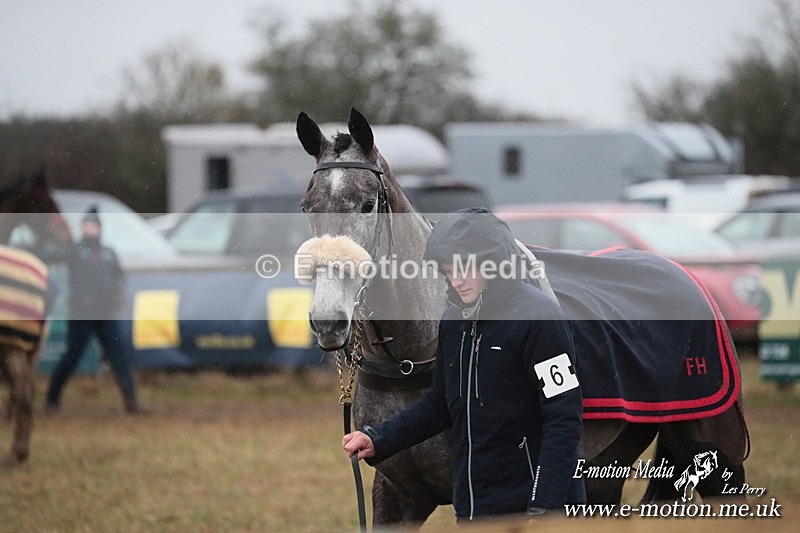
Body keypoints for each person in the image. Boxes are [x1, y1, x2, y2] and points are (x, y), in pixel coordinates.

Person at [343, 208, 585, 521]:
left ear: (494, 263)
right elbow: (439, 404)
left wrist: (544, 508)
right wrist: (379, 438)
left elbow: (563, 418)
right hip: (475, 509)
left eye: (464, 270)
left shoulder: (540, 318)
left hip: (536, 511)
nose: (456, 281)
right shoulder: (454, 321)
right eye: (448, 271)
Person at [45, 206, 147, 414]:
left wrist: (118, 293)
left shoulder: (109, 253)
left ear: (100, 228)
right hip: (81, 313)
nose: (88, 228)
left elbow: (119, 278)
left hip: (105, 313)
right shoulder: (74, 250)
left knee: (118, 357)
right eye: (85, 225)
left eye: (92, 225)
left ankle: (131, 401)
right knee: (71, 357)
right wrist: (53, 232)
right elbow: (50, 253)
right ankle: (51, 400)